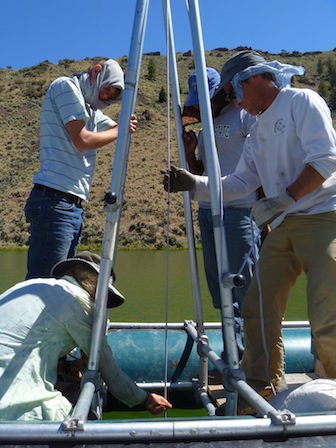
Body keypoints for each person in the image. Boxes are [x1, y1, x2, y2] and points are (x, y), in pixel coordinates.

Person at [163, 50, 336, 409]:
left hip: (324, 216)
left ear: (255, 79)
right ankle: (261, 389)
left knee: (327, 309)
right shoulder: (257, 130)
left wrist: (283, 198)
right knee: (257, 306)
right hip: (285, 224)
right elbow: (240, 182)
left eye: (235, 91)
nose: (235, 100)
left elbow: (325, 159)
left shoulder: (301, 101)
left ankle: (331, 390)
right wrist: (193, 183)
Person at [0, 251, 172, 421]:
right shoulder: (78, 303)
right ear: (95, 284)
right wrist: (146, 399)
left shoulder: (31, 286)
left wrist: (66, 366)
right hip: (9, 402)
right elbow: (110, 373)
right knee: (83, 419)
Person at [24, 59, 138, 280]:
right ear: (96, 72)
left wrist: (126, 122)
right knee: (43, 287)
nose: (106, 97)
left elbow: (117, 126)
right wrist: (123, 130)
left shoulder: (89, 109)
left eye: (113, 95)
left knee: (58, 284)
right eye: (107, 89)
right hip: (54, 201)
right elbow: (82, 140)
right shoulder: (65, 87)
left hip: (72, 205)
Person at [182, 67, 259, 356]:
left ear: (222, 93)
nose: (201, 107)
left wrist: (263, 214)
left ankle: (254, 359)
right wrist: (190, 154)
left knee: (245, 287)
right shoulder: (204, 129)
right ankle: (233, 352)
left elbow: (259, 166)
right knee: (219, 288)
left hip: (240, 212)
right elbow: (200, 175)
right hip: (207, 211)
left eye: (205, 99)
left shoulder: (244, 116)